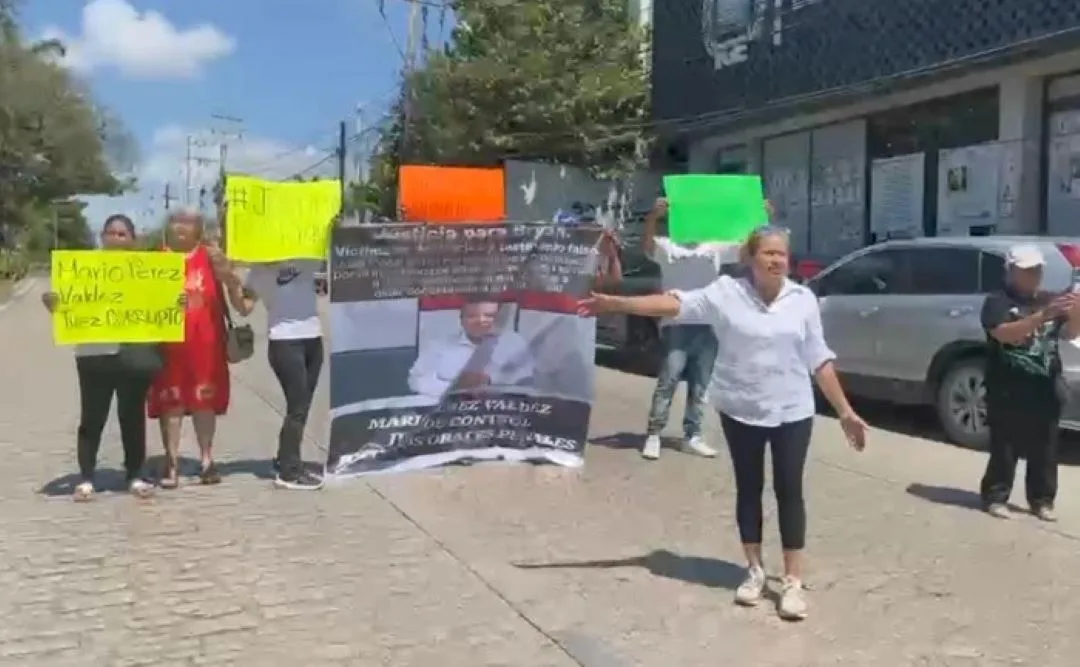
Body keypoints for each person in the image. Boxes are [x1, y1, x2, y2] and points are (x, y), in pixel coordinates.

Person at [579, 226, 868, 621]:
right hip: (741, 409)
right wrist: (615, 303)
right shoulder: (725, 294)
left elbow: (819, 359)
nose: (775, 261)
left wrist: (846, 411)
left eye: (781, 254)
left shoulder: (803, 300)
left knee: (789, 490)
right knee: (749, 488)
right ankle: (753, 569)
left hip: (792, 410)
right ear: (750, 258)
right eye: (767, 253)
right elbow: (672, 304)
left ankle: (793, 581)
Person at [42, 214, 171, 501]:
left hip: (133, 354)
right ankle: (86, 477)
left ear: (132, 239)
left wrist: (177, 302)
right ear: (102, 237)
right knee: (92, 416)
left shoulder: (147, 271)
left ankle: (135, 474)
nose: (116, 238)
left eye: (122, 234)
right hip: (93, 354)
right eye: (110, 232)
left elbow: (161, 309)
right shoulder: (82, 269)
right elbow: (66, 307)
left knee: (132, 416)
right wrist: (53, 304)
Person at [979, 244, 1080, 521]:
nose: (1032, 276)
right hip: (1007, 386)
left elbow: (1072, 333)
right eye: (1025, 270)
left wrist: (1075, 309)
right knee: (1005, 446)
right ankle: (996, 496)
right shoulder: (997, 302)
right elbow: (1003, 333)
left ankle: (1042, 500)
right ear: (1010, 271)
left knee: (1045, 449)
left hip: (1045, 385)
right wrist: (1042, 316)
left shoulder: (1050, 300)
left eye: (1036, 270)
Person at [638, 197, 740, 460]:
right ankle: (654, 434)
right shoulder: (667, 246)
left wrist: (763, 218)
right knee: (668, 379)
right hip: (677, 323)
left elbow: (750, 248)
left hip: (708, 325)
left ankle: (692, 436)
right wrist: (653, 218)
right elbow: (647, 245)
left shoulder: (715, 247)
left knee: (701, 385)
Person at [148, 208, 233, 488]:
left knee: (203, 402)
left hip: (206, 345)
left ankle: (207, 459)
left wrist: (226, 268)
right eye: (175, 220)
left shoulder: (210, 256)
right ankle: (171, 463)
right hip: (167, 347)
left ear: (198, 228)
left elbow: (234, 288)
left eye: (188, 222)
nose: (180, 226)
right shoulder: (156, 259)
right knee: (171, 404)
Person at [225, 260, 325, 490]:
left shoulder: (311, 258)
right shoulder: (262, 270)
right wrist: (232, 285)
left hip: (313, 336)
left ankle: (284, 458)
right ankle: (289, 472)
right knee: (297, 406)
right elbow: (245, 307)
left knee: (302, 406)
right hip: (284, 340)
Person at [408, 296, 535, 399]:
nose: (480, 321)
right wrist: (456, 387)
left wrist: (491, 383)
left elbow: (526, 380)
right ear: (461, 319)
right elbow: (415, 380)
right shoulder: (439, 345)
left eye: (488, 316)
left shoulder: (514, 342)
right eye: (472, 316)